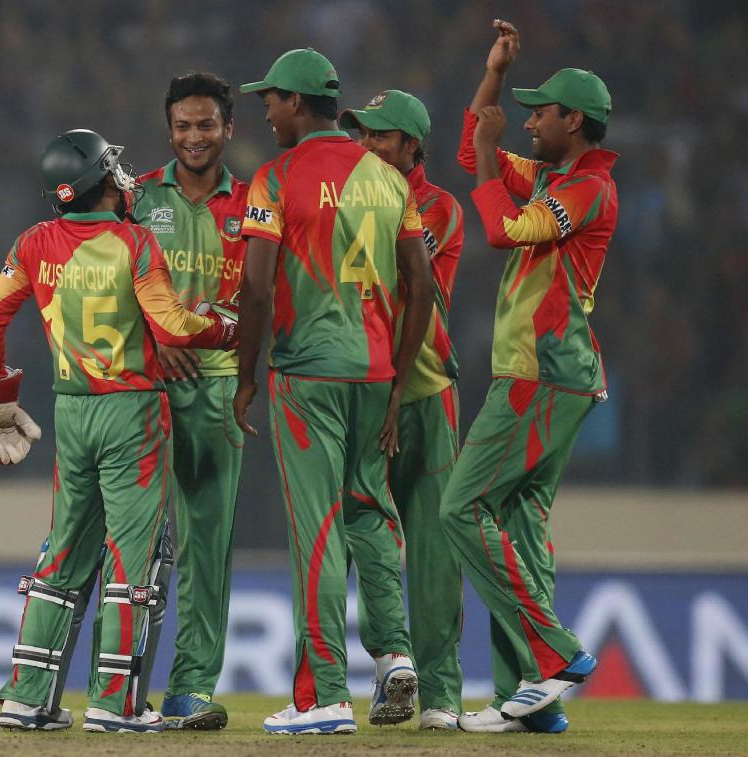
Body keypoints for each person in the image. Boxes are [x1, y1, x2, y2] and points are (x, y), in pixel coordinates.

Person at [0, 128, 237, 734]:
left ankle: (28, 700)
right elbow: (172, 326)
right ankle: (114, 704)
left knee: (63, 552)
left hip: (73, 411)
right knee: (133, 559)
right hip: (133, 412)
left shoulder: (35, 243)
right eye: (112, 169)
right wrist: (225, 328)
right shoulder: (134, 242)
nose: (124, 178)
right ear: (97, 181)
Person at [233, 48, 436, 735]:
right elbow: (423, 283)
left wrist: (245, 374)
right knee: (372, 513)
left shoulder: (275, 176)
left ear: (295, 103)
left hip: (309, 374)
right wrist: (400, 378)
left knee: (315, 527)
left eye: (271, 99)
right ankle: (395, 655)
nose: (264, 110)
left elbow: (256, 288)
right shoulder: (387, 178)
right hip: (376, 373)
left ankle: (323, 694)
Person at [441, 19, 618, 733]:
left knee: (461, 508)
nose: (529, 120)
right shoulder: (554, 176)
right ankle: (534, 703)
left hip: (544, 373)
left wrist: (489, 150)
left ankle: (553, 652)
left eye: (539, 112)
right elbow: (468, 150)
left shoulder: (587, 191)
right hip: (542, 371)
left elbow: (502, 230)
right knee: (516, 521)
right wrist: (494, 76)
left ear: (573, 121)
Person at [339, 89, 465, 731]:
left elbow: (409, 285)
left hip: (421, 391)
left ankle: (442, 696)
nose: (367, 147)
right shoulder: (356, 197)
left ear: (412, 145)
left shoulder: (439, 207)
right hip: (364, 387)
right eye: (361, 135)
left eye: (381, 138)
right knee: (367, 534)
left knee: (435, 548)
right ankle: (393, 665)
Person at [132, 72, 249, 731]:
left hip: (219, 386)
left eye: (206, 124)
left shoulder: (256, 202)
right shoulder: (137, 198)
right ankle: (116, 686)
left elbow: (265, 294)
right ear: (169, 129)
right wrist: (155, 335)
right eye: (183, 125)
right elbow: (104, 279)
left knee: (208, 545)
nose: (195, 136)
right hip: (144, 388)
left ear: (228, 128)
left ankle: (189, 689)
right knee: (133, 541)